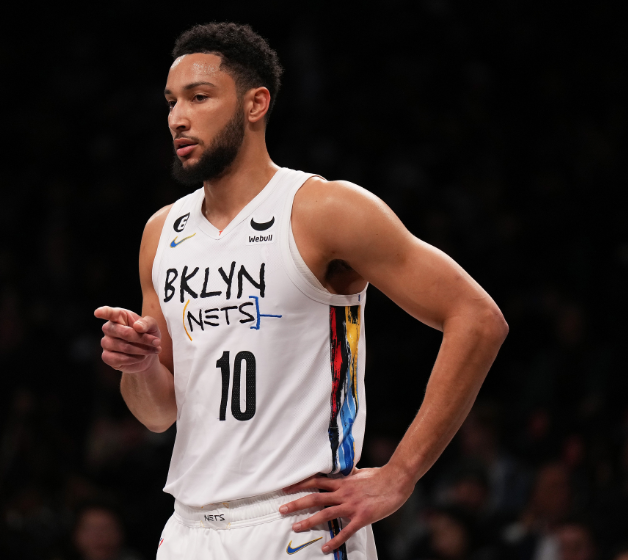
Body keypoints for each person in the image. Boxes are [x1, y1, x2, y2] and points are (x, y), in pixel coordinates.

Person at [94, 22, 507, 559]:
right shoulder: (162, 232)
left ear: (255, 103)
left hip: (299, 524)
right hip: (189, 529)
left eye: (199, 97)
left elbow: (477, 318)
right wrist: (139, 366)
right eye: (171, 102)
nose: (178, 117)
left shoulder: (323, 210)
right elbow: (156, 413)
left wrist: (401, 475)